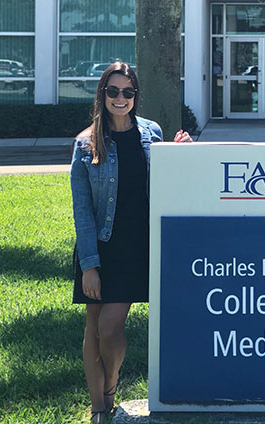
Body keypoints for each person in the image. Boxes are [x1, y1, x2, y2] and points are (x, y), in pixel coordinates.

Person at [70, 61, 191, 424]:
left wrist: (176, 153)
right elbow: (82, 212)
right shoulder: (85, 143)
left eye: (127, 92)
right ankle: (99, 409)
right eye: (112, 91)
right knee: (94, 327)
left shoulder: (151, 133)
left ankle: (110, 384)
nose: (119, 98)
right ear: (102, 95)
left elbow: (166, 183)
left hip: (137, 246)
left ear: (135, 96)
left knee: (110, 328)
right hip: (102, 245)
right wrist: (89, 265)